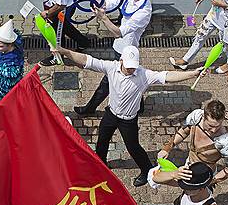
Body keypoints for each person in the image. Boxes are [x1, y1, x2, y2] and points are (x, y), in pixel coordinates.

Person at [56, 45, 201, 187]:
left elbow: (168, 76)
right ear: (121, 61)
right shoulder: (110, 67)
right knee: (102, 140)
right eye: (128, 65)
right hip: (111, 114)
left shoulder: (144, 75)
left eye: (134, 66)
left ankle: (147, 171)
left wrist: (193, 73)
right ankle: (101, 163)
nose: (131, 69)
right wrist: (64, 51)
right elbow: (86, 60)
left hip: (128, 120)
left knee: (133, 148)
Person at [144, 101, 228, 205]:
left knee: (188, 201)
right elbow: (183, 131)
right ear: (204, 117)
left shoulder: (226, 143)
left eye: (217, 127)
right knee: (177, 192)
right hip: (188, 166)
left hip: (203, 177)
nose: (213, 130)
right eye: (210, 125)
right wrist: (167, 147)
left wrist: (210, 182)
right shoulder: (195, 117)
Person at [73, 0, 154, 116]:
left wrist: (103, 18)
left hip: (127, 50)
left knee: (107, 81)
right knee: (132, 77)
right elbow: (108, 4)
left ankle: (89, 108)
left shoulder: (144, 12)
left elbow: (117, 32)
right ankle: (139, 105)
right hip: (119, 46)